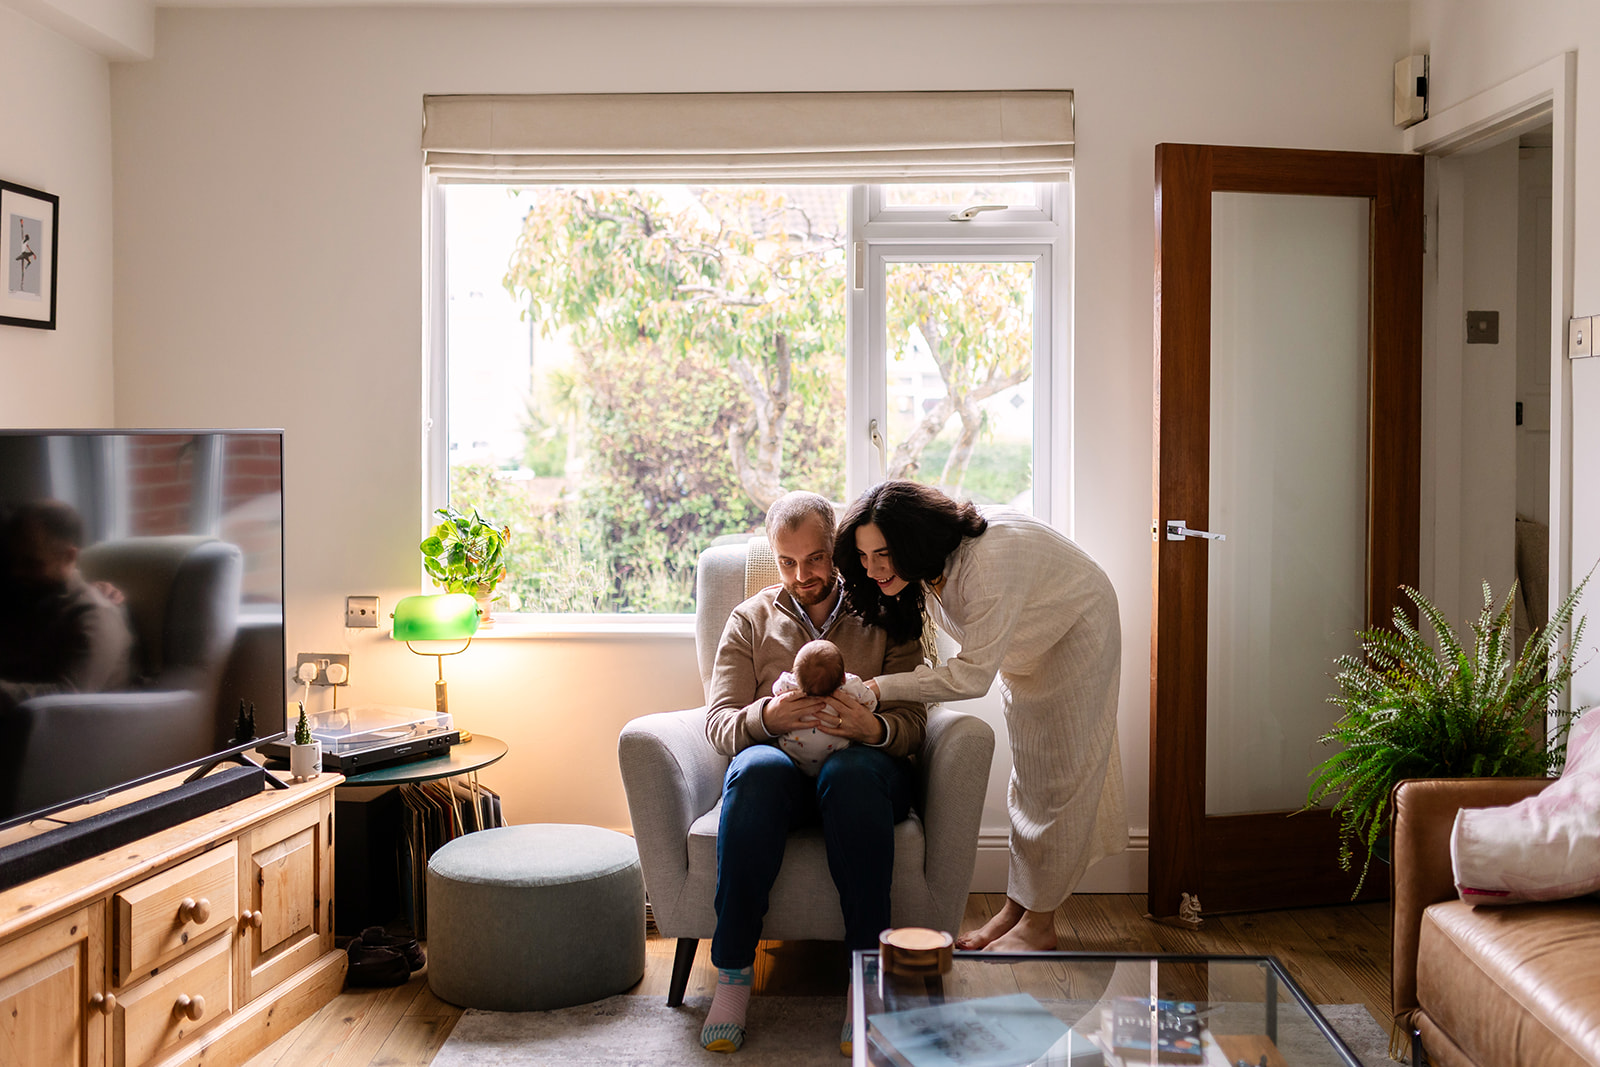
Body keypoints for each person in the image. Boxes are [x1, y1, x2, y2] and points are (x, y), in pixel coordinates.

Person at [835, 481, 1126, 953]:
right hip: (1031, 642)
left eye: (883, 554)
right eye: (864, 556)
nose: (872, 569)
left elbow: (972, 679)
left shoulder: (985, 566)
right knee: (1029, 779)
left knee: (1063, 781)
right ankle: (1018, 909)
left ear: (912, 539)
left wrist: (878, 688)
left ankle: (1041, 924)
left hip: (1077, 633)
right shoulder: (931, 566)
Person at [702, 491, 926, 1054]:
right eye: (787, 561)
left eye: (817, 558)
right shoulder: (750, 620)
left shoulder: (886, 610)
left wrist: (872, 730)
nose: (803, 575)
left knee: (848, 775)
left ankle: (865, 982)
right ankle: (731, 978)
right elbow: (719, 724)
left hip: (864, 779)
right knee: (754, 769)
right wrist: (767, 716)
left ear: (838, 550)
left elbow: (916, 721)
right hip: (782, 779)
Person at [0, 500, 135, 712]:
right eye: (13, 561)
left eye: (31, 563)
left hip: (82, 735)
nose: (16, 571)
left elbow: (67, 701)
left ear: (69, 556)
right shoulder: (33, 597)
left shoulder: (96, 615)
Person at [770, 638, 879, 775]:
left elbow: (776, 690)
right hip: (836, 753)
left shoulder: (789, 684)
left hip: (792, 754)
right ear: (843, 678)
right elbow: (871, 701)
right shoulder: (850, 685)